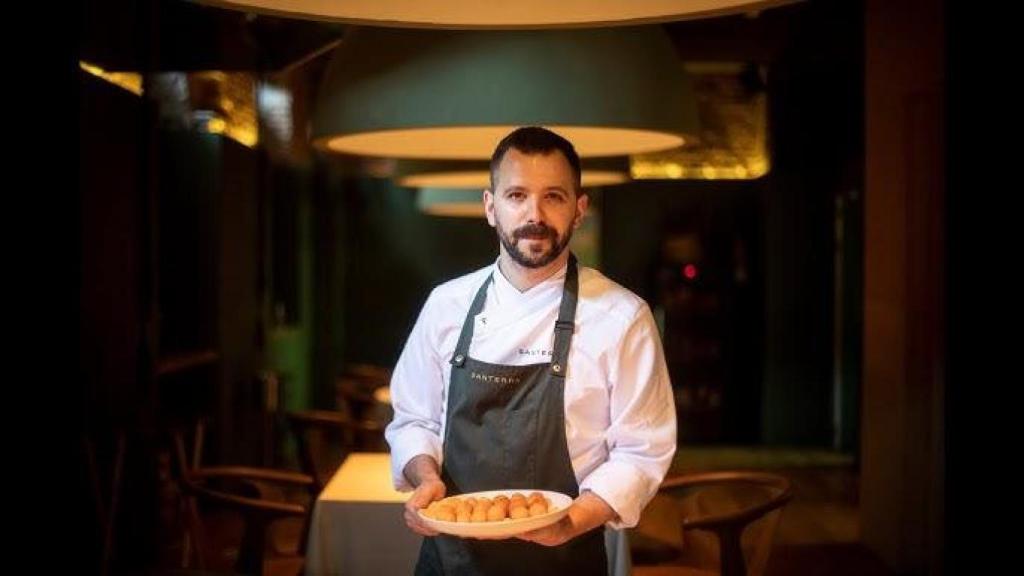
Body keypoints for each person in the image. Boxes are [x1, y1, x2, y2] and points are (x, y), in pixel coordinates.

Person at [385, 126, 677, 575]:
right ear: (490, 207)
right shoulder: (447, 306)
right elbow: (414, 419)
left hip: (565, 558)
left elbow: (640, 453)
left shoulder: (622, 318)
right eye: (517, 195)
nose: (534, 214)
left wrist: (571, 521)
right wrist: (424, 480)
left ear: (579, 210)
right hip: (451, 560)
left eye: (554, 196)